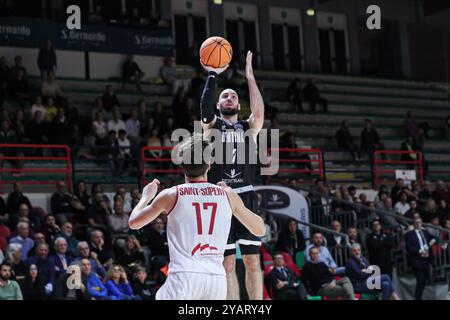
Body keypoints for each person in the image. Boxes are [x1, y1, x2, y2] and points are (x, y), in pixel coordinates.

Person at [129, 135, 265, 300]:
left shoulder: (172, 194)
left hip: (185, 276)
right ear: (209, 165)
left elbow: (134, 223)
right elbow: (259, 229)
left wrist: (146, 197)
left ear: (183, 165)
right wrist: (233, 198)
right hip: (216, 279)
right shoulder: (226, 194)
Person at [200, 51, 265, 300]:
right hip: (220, 199)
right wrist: (212, 75)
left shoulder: (249, 128)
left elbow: (258, 113)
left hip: (245, 197)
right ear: (219, 105)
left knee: (252, 261)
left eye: (233, 97)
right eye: (225, 96)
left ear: (239, 106)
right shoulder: (212, 125)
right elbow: (204, 107)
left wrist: (249, 77)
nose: (229, 98)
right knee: (227, 265)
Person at [405, 217, 437, 300]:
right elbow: (408, 247)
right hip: (416, 259)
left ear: (421, 223)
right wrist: (420, 251)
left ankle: (418, 297)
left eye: (419, 222)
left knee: (424, 280)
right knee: (420, 280)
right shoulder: (409, 234)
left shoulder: (425, 232)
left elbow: (435, 238)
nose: (418, 224)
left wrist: (431, 243)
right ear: (414, 224)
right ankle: (417, 298)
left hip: (426, 259)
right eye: (416, 222)